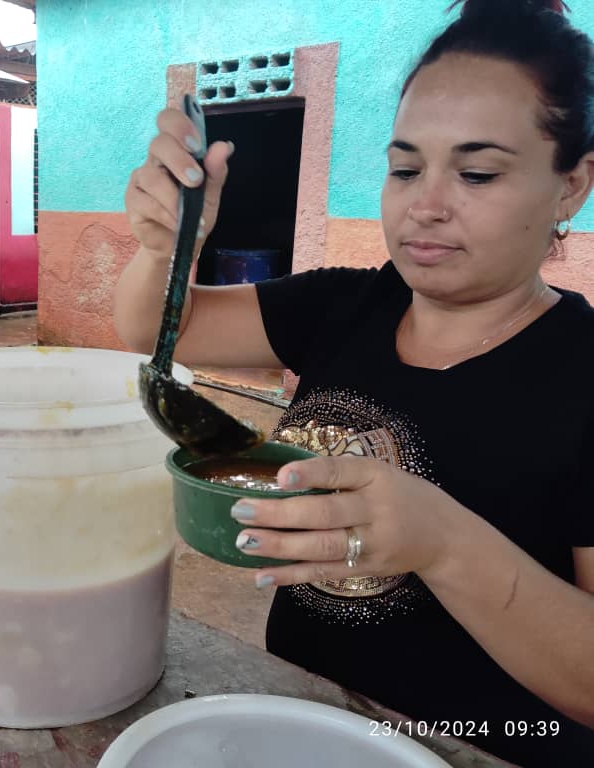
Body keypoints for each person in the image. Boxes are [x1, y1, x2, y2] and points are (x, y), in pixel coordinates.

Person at [113, 0, 594, 765]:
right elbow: (154, 329)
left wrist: (442, 544)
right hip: (309, 723)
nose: (424, 205)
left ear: (571, 186)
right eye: (404, 167)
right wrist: (167, 247)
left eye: (476, 172)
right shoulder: (344, 305)